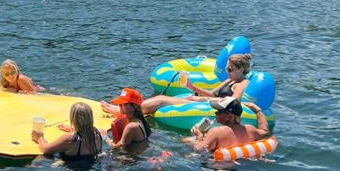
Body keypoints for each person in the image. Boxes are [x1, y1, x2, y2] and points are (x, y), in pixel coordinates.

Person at [101, 53, 252, 117]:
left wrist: (203, 100)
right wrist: (191, 87)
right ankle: (128, 107)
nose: (227, 71)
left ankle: (124, 110)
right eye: (227, 68)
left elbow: (235, 102)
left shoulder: (242, 83)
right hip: (200, 101)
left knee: (161, 99)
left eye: (230, 69)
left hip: (208, 106)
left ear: (240, 69)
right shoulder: (230, 80)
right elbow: (212, 93)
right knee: (161, 98)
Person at [31, 102, 102, 164]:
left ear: (73, 118)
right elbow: (84, 134)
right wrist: (72, 129)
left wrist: (39, 137)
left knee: (35, 163)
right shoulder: (98, 132)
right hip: (92, 164)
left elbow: (45, 149)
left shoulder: (70, 139)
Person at [191, 97, 270, 152]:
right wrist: (257, 110)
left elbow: (199, 151)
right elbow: (265, 131)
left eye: (218, 111)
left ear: (229, 116)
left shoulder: (216, 132)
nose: (215, 114)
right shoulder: (250, 130)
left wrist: (199, 137)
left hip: (219, 169)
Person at [106, 88, 151, 152]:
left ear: (135, 106)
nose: (120, 105)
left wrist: (104, 137)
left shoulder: (131, 127)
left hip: (131, 160)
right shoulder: (140, 120)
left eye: (123, 104)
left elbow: (116, 147)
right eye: (119, 103)